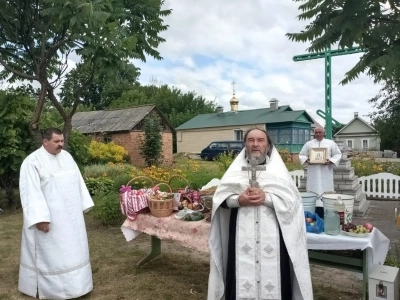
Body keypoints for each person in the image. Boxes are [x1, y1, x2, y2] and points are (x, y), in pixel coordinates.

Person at [207, 128, 313, 300]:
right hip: (241, 237)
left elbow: (293, 204)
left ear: (268, 145)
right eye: (250, 140)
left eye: (260, 140)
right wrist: (239, 200)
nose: (255, 144)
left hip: (274, 238)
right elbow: (220, 200)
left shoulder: (278, 173)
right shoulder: (235, 172)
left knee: (276, 279)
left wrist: (267, 197)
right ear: (245, 144)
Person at [18, 128, 94, 299]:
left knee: (74, 250)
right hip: (50, 219)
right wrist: (40, 218)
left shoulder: (67, 157)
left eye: (62, 141)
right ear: (45, 141)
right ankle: (54, 290)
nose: (61, 144)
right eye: (57, 141)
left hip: (72, 217)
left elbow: (78, 181)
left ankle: (79, 286)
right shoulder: (32, 162)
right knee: (53, 254)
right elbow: (31, 192)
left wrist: (83, 204)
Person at [299, 127, 342, 219]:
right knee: (313, 191)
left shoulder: (331, 143)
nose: (318, 134)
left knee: (326, 192)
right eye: (316, 132)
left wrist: (330, 161)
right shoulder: (309, 144)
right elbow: (302, 155)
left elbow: (338, 154)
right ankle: (312, 213)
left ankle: (326, 213)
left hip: (326, 172)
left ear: (324, 133)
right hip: (313, 172)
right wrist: (307, 160)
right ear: (314, 133)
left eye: (320, 132)